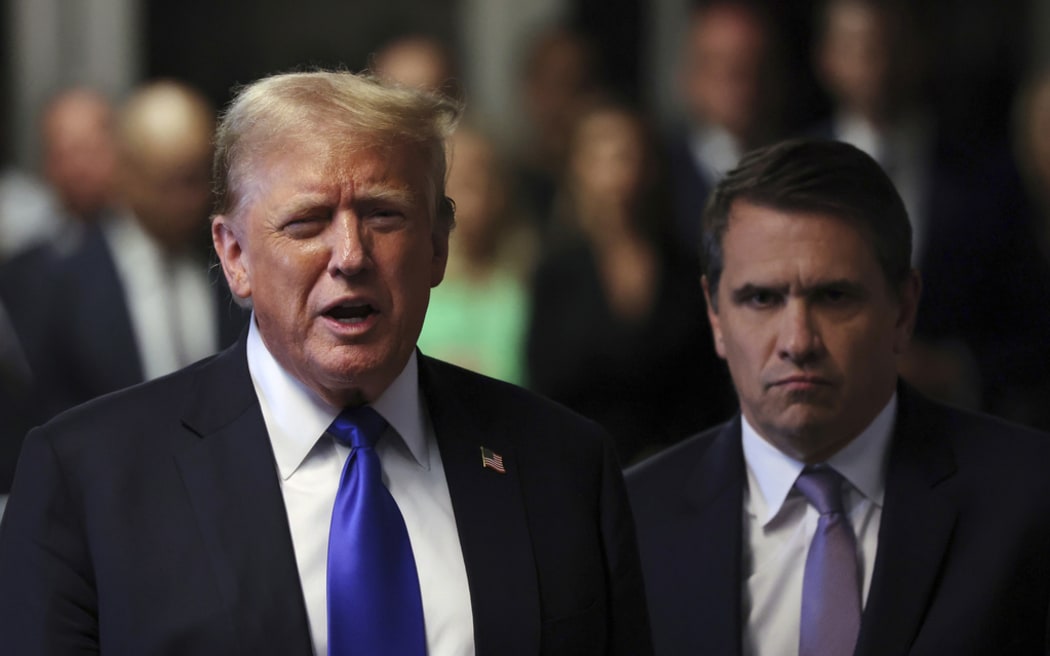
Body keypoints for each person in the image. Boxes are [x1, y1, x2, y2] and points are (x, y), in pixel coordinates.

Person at [0, 70, 651, 655]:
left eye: (384, 214)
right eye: (308, 221)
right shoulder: (88, 479)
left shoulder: (566, 466)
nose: (350, 255)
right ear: (234, 256)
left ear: (437, 245)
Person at [627, 138, 1050, 655]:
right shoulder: (631, 523)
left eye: (834, 296)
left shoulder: (1030, 499)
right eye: (762, 299)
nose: (798, 342)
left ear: (903, 309)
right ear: (715, 316)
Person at [528, 103, 733, 464]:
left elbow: (711, 391)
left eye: (624, 155)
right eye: (599, 157)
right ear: (577, 169)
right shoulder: (555, 274)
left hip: (681, 473)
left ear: (651, 166)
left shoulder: (688, 270)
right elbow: (544, 390)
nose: (614, 175)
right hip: (580, 474)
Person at [30, 80, 248, 417]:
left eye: (199, 177)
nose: (189, 200)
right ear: (126, 173)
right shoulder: (61, 284)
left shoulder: (235, 260)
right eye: (169, 182)